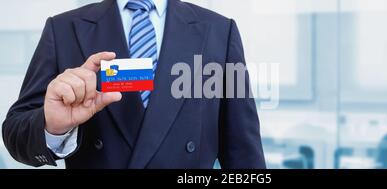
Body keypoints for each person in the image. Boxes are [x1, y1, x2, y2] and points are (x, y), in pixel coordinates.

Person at [2, 0, 265, 169]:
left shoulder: (220, 30)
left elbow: (244, 154)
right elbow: (16, 135)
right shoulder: (63, 29)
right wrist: (53, 127)